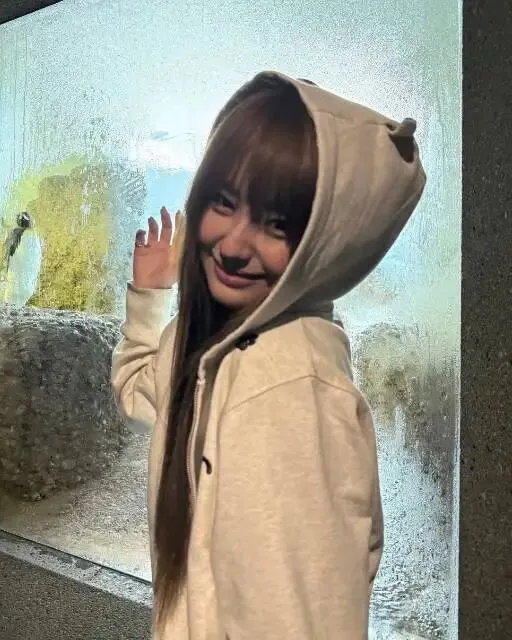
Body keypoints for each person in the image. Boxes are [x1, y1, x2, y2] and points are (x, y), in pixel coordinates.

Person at [111, 71, 426, 639]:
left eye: (277, 224)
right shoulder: (210, 342)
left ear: (326, 244)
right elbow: (144, 392)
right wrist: (150, 296)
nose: (234, 245)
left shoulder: (292, 396)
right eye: (224, 201)